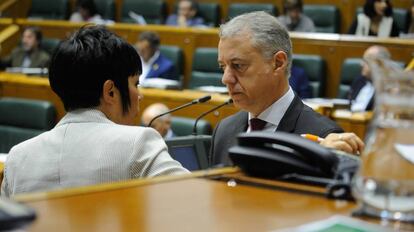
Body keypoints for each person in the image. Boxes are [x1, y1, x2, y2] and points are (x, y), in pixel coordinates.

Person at [1, 26, 188, 197]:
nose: (139, 96)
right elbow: (195, 202)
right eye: (135, 84)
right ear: (111, 92)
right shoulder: (138, 143)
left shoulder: (17, 157)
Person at [210, 11, 364, 166]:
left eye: (238, 65)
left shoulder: (324, 137)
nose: (226, 79)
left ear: (278, 63)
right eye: (223, 67)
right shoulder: (224, 130)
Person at [349, 45, 391, 112]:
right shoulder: (359, 80)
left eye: (366, 61)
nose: (361, 64)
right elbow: (347, 104)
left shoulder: (388, 88)